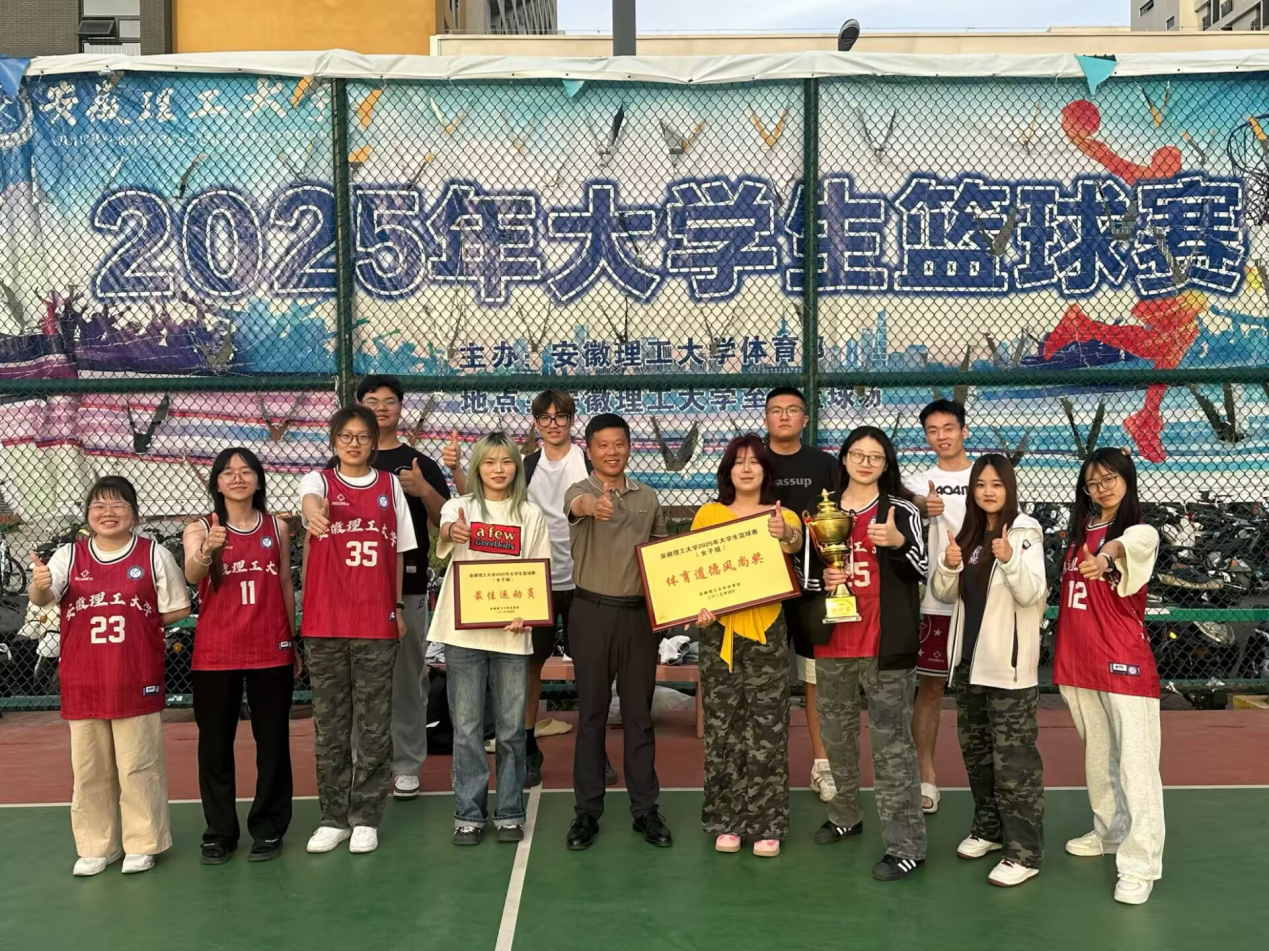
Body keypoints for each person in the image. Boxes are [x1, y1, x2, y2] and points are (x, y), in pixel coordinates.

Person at [29, 477, 191, 876]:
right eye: (99, 506)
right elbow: (44, 598)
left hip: (135, 673)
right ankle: (96, 846)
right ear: (88, 514)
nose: (108, 513)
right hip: (84, 676)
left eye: (118, 505)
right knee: (89, 769)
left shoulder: (153, 554)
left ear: (134, 513)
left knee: (139, 764)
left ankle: (143, 842)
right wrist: (39, 586)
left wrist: (139, 621)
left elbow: (178, 607)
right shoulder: (69, 555)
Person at [299, 406, 417, 856]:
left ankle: (366, 816)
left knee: (373, 724)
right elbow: (311, 503)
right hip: (325, 622)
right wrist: (315, 514)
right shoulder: (319, 482)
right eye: (345, 436)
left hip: (375, 622)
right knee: (330, 726)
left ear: (373, 443)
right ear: (333, 441)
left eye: (362, 436)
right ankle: (333, 817)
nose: (353, 443)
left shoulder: (389, 486)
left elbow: (400, 551)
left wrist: (398, 606)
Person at [815, 427, 928, 881]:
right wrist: (822, 581)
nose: (865, 463)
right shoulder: (822, 511)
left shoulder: (901, 509)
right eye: (858, 455)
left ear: (886, 464)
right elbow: (806, 575)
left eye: (875, 457)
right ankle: (846, 814)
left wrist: (897, 544)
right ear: (843, 459)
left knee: (892, 745)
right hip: (834, 642)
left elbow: (921, 567)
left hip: (884, 643)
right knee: (836, 736)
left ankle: (906, 845)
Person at [428, 433, 550, 845]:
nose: (499, 469)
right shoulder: (460, 506)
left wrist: (526, 611)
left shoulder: (530, 514)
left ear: (517, 467)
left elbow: (539, 568)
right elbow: (445, 533)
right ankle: (468, 814)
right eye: (489, 462)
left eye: (506, 461)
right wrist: (453, 531)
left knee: (512, 729)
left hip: (512, 635)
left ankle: (511, 811)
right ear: (477, 467)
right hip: (463, 634)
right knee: (466, 728)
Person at [1053, 447, 1162, 905]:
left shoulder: (1139, 531)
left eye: (1109, 479)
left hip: (1122, 660)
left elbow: (1125, 547)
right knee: (1099, 755)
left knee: (1136, 763)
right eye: (1093, 482)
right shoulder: (1079, 532)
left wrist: (1105, 557)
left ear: (1127, 479)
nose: (1101, 488)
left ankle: (1140, 863)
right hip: (1078, 660)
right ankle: (1111, 831)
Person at [931, 454, 1046, 887]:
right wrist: (948, 564)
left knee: (1014, 763)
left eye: (996, 484)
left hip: (1008, 671)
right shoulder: (971, 534)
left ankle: (1025, 852)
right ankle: (990, 830)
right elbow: (945, 593)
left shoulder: (1025, 531)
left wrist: (1011, 559)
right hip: (970, 665)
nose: (988, 492)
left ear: (1009, 488)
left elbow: (1032, 592)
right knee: (977, 755)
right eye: (981, 485)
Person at [184, 448, 299, 865]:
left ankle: (269, 827)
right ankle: (219, 832)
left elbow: (284, 582)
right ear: (216, 482)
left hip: (270, 647)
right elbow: (192, 575)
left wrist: (292, 640)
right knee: (215, 745)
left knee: (273, 743)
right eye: (228, 472)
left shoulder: (276, 527)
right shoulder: (200, 527)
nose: (237, 478)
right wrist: (207, 550)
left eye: (246, 471)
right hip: (217, 652)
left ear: (258, 479)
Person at [690, 435, 803, 858]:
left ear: (765, 471)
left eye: (755, 461)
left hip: (767, 631)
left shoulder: (780, 514)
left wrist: (785, 533)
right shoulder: (709, 514)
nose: (747, 468)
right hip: (717, 632)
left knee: (768, 728)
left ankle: (767, 823)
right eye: (738, 462)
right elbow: (694, 569)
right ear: (728, 471)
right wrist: (696, 608)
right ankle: (727, 820)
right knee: (723, 728)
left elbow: (795, 542)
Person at [563, 413, 671, 851]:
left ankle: (645, 810)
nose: (612, 452)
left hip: (639, 617)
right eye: (603, 445)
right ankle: (587, 812)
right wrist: (594, 507)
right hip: (590, 613)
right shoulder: (579, 490)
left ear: (629, 447)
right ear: (589, 450)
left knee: (639, 716)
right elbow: (578, 507)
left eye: (619, 443)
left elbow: (661, 555)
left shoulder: (648, 497)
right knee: (590, 715)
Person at [357, 374, 453, 802]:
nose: (381, 408)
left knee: (408, 678)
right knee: (359, 681)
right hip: (355, 591)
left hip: (409, 587)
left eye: (389, 401)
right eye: (372, 401)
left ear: (400, 408)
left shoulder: (419, 464)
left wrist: (423, 489)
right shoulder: (344, 462)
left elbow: (442, 523)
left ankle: (407, 765)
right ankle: (363, 762)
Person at [762, 386, 840, 802]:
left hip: (813, 588)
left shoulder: (825, 465)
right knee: (767, 682)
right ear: (766, 418)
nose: (784, 416)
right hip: (763, 590)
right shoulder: (752, 462)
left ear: (805, 419)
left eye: (793, 410)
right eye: (776, 410)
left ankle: (823, 766)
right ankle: (766, 768)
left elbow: (844, 516)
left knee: (815, 681)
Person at [904, 399, 974, 816]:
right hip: (936, 600)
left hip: (985, 602)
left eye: (948, 428)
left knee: (982, 692)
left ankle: (989, 781)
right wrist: (919, 505)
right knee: (930, 689)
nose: (941, 436)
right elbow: (891, 498)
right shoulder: (919, 481)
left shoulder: (987, 476)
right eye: (932, 430)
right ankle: (926, 776)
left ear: (964, 430)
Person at [520, 389, 591, 788]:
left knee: (591, 669)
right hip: (536, 582)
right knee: (531, 668)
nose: (553, 423)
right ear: (536, 423)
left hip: (584, 581)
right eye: (545, 417)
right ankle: (528, 748)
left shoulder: (588, 461)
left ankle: (592, 750)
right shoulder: (525, 466)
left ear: (571, 420)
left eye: (560, 416)